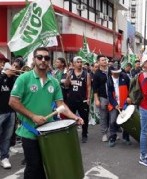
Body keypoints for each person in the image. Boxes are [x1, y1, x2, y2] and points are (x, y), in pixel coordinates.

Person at [9, 47, 83, 179]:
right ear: (34, 59)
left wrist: (74, 117)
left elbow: (61, 105)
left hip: (48, 133)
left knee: (47, 165)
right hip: (29, 132)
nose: (43, 60)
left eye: (46, 58)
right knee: (33, 167)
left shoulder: (53, 82)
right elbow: (13, 102)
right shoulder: (24, 78)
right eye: (40, 57)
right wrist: (33, 116)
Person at [0, 56, 24, 169]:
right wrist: (4, 75)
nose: (2, 64)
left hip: (10, 111)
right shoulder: (3, 75)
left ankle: (4, 157)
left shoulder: (11, 77)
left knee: (7, 136)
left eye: (3, 62)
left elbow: (13, 90)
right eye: (1, 62)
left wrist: (9, 78)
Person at [65, 56, 91, 143]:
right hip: (71, 99)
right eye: (78, 62)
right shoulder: (70, 73)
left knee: (84, 118)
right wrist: (68, 78)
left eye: (81, 62)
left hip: (82, 100)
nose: (80, 64)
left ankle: (84, 134)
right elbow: (66, 85)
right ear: (74, 64)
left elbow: (88, 87)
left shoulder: (86, 74)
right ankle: (73, 134)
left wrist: (88, 98)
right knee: (71, 118)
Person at [107, 62, 132, 147]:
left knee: (126, 121)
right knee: (113, 121)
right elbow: (109, 95)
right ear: (111, 72)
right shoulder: (109, 80)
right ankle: (112, 137)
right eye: (115, 72)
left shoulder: (125, 77)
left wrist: (129, 97)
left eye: (118, 71)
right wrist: (114, 104)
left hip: (124, 102)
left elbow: (130, 88)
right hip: (114, 104)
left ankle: (126, 137)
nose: (117, 73)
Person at [92, 55, 110, 142]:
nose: (104, 61)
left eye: (105, 59)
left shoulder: (110, 71)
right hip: (103, 97)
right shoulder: (97, 74)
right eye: (102, 60)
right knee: (103, 116)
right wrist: (96, 99)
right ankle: (104, 134)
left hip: (112, 97)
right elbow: (94, 88)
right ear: (98, 62)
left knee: (112, 115)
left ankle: (112, 133)